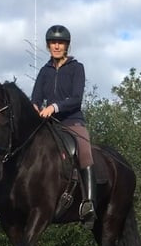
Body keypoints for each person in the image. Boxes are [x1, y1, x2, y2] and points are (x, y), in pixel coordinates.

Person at [31, 24, 97, 229]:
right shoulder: (45, 71)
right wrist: (34, 107)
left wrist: (54, 107)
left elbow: (76, 98)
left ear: (66, 45)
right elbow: (35, 97)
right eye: (53, 43)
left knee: (85, 151)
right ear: (48, 45)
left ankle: (89, 203)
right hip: (49, 124)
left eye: (60, 43)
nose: (56, 46)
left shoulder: (77, 68)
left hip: (72, 121)